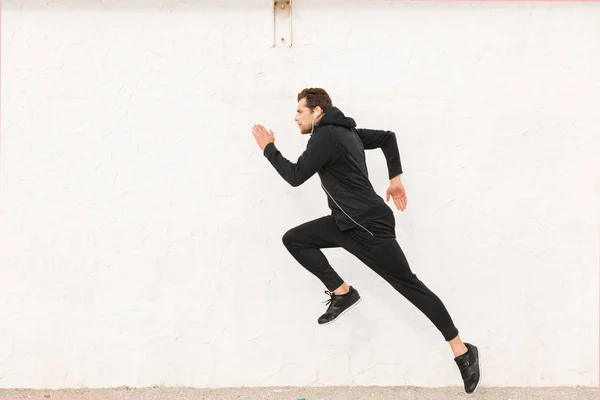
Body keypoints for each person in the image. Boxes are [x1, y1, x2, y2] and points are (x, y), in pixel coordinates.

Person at [251, 88, 481, 394]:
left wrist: (268, 148)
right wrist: (395, 178)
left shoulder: (326, 136)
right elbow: (387, 137)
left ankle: (462, 351)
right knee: (296, 239)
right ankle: (342, 292)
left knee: (410, 287)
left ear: (317, 112)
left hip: (369, 227)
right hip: (345, 224)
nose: (295, 117)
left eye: (300, 111)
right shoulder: (349, 134)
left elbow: (295, 176)